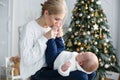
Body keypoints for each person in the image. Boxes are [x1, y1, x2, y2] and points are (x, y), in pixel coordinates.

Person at [19, 0, 96, 80]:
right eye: (56, 19)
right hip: (38, 71)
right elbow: (26, 59)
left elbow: (59, 54)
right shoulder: (29, 28)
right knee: (81, 77)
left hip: (54, 66)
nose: (58, 23)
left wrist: (59, 37)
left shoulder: (51, 27)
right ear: (46, 13)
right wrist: (45, 38)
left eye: (60, 20)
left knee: (91, 73)